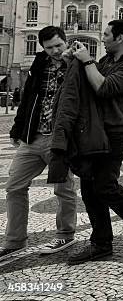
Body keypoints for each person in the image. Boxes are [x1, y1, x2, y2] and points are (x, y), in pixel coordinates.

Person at [68, 20, 123, 265]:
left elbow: (103, 88)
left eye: (106, 35)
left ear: (120, 38)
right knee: (88, 188)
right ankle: (101, 243)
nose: (102, 38)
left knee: (104, 184)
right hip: (94, 129)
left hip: (116, 131)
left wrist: (86, 60)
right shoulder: (106, 61)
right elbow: (88, 82)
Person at [0, 26, 78, 261]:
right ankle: (15, 241)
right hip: (32, 137)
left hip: (59, 139)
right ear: (43, 48)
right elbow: (29, 97)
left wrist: (70, 62)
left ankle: (65, 233)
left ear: (66, 42)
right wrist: (17, 128)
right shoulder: (39, 64)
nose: (55, 50)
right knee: (14, 186)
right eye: (49, 47)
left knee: (63, 188)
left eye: (58, 45)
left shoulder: (77, 62)